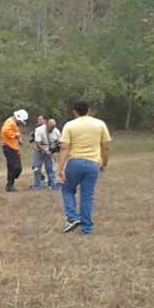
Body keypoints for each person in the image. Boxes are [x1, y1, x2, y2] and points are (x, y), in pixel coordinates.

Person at [57, 101, 111, 235]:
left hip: (75, 162)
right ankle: (87, 229)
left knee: (67, 190)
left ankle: (73, 217)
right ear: (89, 110)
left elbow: (64, 148)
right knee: (87, 196)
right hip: (93, 164)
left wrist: (59, 168)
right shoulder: (100, 124)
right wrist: (104, 163)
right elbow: (106, 146)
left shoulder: (69, 125)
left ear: (74, 111)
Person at [0, 109, 29, 192]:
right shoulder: (11, 122)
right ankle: (10, 183)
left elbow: (15, 132)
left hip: (12, 146)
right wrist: (15, 135)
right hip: (9, 147)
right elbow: (4, 131)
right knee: (17, 168)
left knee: (11, 167)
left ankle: (9, 186)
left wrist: (18, 139)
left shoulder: (13, 122)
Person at [31, 114, 61, 190]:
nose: (50, 130)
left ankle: (52, 184)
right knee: (36, 168)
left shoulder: (56, 132)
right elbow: (37, 143)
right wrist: (45, 151)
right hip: (39, 151)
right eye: (49, 128)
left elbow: (60, 143)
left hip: (49, 152)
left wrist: (53, 150)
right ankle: (37, 185)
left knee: (50, 169)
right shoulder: (39, 130)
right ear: (46, 124)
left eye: (52, 128)